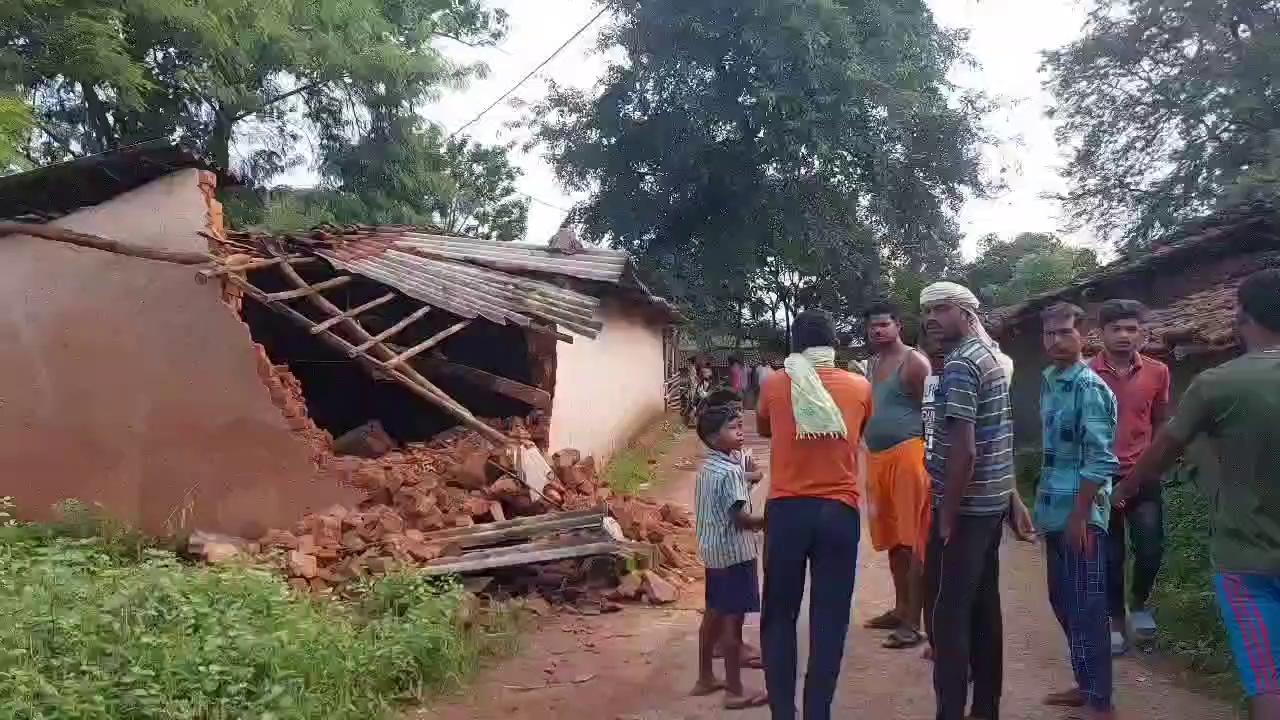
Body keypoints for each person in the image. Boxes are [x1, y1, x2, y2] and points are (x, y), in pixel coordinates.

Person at [1117, 269, 1280, 720]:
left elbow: (1161, 452)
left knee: (1268, 683)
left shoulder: (1217, 384)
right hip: (1247, 562)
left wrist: (1123, 491)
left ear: (1241, 316)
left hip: (1246, 562)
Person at [920, 281, 1034, 720]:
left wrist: (946, 516)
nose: (931, 317)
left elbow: (965, 449)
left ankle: (950, 710)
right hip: (987, 504)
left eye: (941, 309)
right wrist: (1011, 499)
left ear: (966, 313)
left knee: (948, 619)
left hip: (966, 510)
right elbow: (997, 439)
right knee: (985, 608)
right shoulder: (989, 357)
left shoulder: (963, 365)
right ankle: (985, 708)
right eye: (927, 310)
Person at [757, 309, 872, 720]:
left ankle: (782, 714)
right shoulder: (860, 386)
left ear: (794, 344)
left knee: (779, 616)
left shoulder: (774, 384)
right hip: (839, 513)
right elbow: (857, 435)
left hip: (787, 511)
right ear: (834, 343)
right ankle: (817, 713)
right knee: (830, 619)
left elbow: (766, 427)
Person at [1036, 303, 1119, 719]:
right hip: (1055, 508)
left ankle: (1100, 701)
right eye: (1049, 334)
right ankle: (1085, 683)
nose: (1056, 341)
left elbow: (1101, 459)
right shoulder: (1052, 381)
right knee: (1062, 599)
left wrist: (1081, 514)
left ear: (1082, 334)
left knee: (1087, 604)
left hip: (1081, 514)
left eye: (1064, 332)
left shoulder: (1089, 387)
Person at [1089, 299, 1170, 655]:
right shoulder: (1085, 374)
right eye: (1116, 329)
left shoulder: (1158, 372)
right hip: (1100, 478)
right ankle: (1115, 621)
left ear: (1142, 333)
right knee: (1109, 556)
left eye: (1131, 329)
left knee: (1151, 548)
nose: (1124, 336)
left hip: (1143, 475)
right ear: (1101, 333)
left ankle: (1138, 605)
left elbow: (1161, 421)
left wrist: (1157, 463)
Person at [860, 300, 932, 649]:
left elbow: (931, 414)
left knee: (912, 540)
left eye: (883, 324)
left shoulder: (916, 363)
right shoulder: (872, 364)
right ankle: (901, 608)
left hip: (909, 455)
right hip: (877, 458)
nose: (877, 331)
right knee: (891, 540)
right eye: (872, 326)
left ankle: (914, 623)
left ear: (898, 325)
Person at [691, 405, 769, 710]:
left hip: (713, 552)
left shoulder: (710, 467)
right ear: (713, 437)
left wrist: (749, 476)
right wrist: (770, 519)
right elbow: (741, 520)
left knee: (712, 612)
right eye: (733, 428)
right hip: (735, 554)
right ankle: (735, 691)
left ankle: (706, 677)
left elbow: (732, 484)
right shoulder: (730, 472)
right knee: (732, 625)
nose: (740, 432)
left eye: (740, 427)